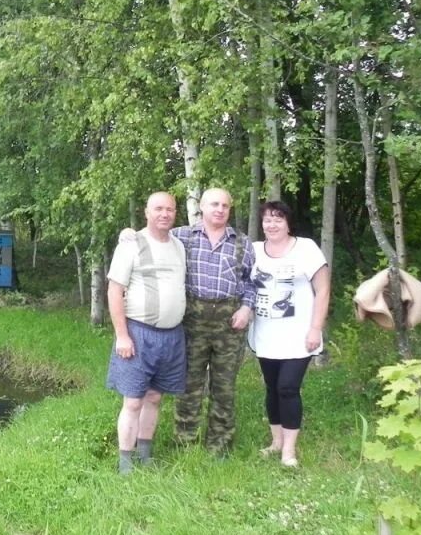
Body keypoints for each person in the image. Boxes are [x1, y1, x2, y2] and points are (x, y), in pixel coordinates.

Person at [106, 191, 187, 473]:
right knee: (133, 400)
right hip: (138, 334)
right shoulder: (131, 244)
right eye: (158, 209)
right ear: (147, 212)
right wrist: (122, 335)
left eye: (170, 209)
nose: (165, 214)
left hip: (172, 336)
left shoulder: (179, 244)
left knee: (155, 397)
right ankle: (125, 464)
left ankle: (145, 454)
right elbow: (114, 290)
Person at [170, 188, 255, 456]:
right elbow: (149, 242)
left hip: (229, 323)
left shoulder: (243, 243)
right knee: (188, 384)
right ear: (202, 208)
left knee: (224, 386)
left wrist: (246, 308)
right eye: (214, 204)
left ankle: (219, 446)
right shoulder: (180, 237)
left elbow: (253, 282)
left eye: (225, 206)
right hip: (192, 320)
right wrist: (128, 235)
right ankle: (185, 443)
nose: (220, 209)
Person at [248, 200, 330, 468]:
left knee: (288, 387)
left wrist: (316, 328)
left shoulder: (306, 249)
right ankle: (276, 442)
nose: (272, 224)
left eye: (278, 218)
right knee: (272, 388)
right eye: (267, 219)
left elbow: (323, 290)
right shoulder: (254, 250)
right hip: (265, 334)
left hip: (299, 335)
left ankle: (289, 451)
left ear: (288, 222)